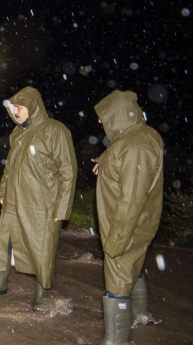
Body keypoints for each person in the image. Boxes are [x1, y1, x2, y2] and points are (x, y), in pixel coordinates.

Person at [0, 86, 77, 311]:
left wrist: (62, 208)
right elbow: (10, 167)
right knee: (4, 243)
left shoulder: (55, 130)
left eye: (20, 107)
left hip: (41, 204)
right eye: (13, 108)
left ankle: (41, 294)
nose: (15, 112)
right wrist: (2, 192)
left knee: (41, 248)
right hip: (13, 200)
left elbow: (67, 171)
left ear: (33, 107)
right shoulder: (17, 134)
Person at [91, 90, 163, 344]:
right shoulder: (138, 136)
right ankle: (141, 314)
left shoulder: (134, 146)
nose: (100, 122)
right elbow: (124, 158)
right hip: (138, 223)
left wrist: (115, 240)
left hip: (126, 225)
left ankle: (116, 341)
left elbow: (131, 198)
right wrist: (105, 159)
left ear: (117, 114)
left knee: (118, 278)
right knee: (133, 266)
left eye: (103, 116)